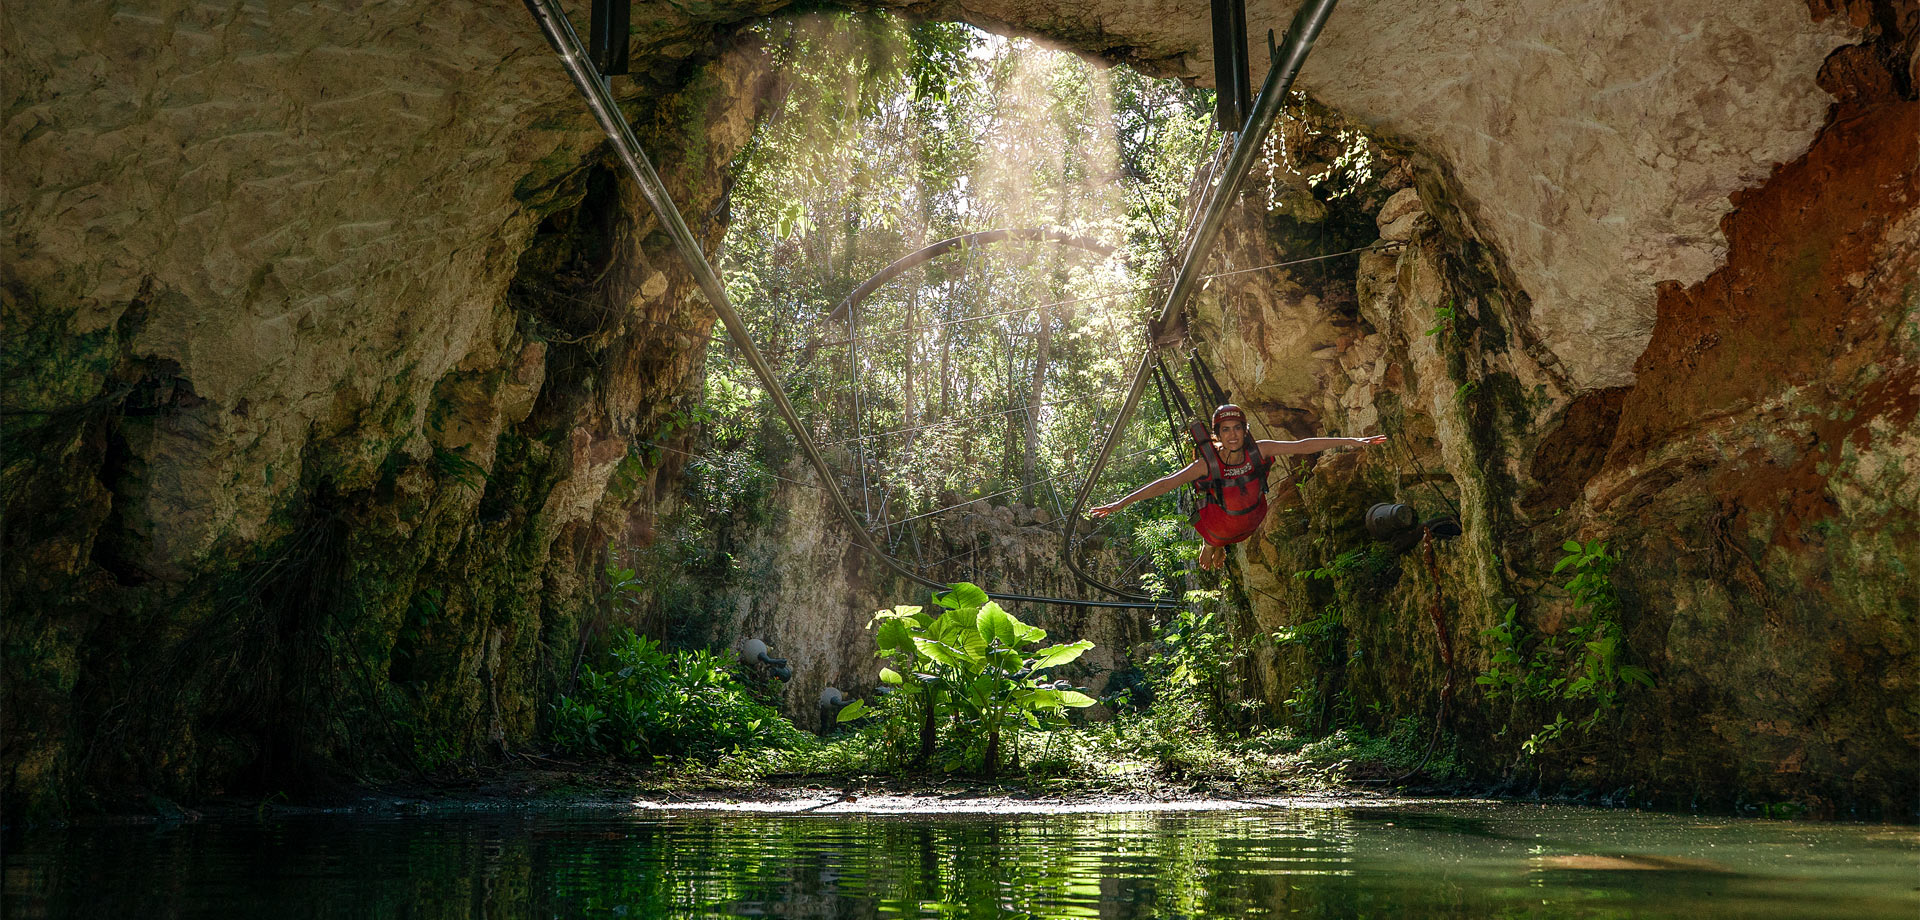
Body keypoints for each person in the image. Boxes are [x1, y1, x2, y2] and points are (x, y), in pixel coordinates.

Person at [1090, 404, 1386, 571]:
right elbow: (1164, 484)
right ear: (1217, 434)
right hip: (1220, 525)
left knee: (1228, 526)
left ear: (1245, 430)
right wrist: (1118, 504)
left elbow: (1304, 445)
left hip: (1252, 518)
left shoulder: (1261, 449)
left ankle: (1216, 548)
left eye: (1237, 429)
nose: (1232, 436)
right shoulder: (1206, 464)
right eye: (1225, 430)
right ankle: (1213, 547)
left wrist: (1354, 441)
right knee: (1218, 529)